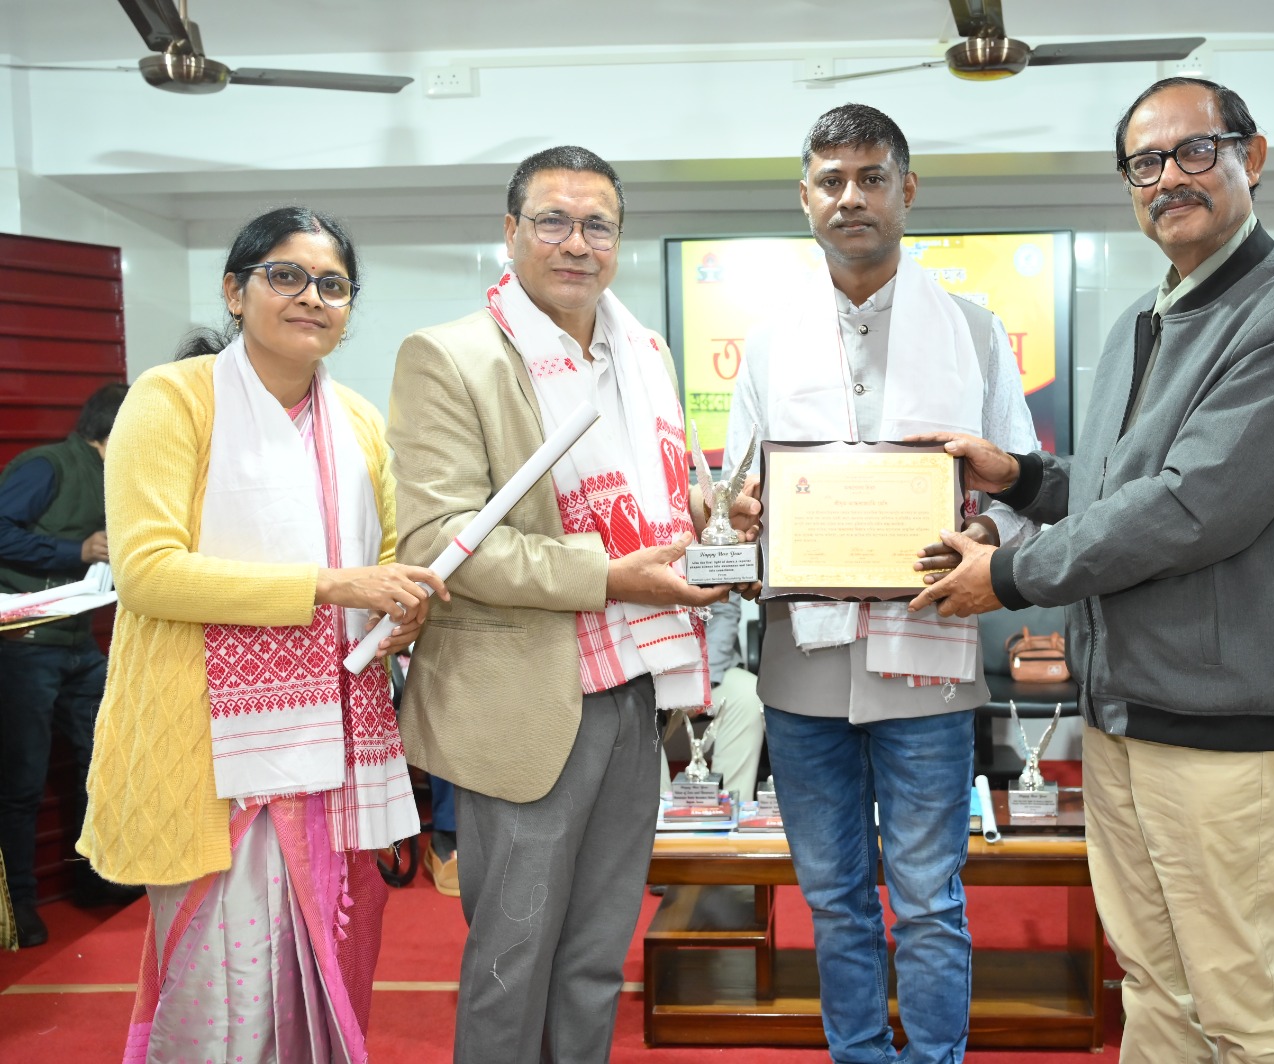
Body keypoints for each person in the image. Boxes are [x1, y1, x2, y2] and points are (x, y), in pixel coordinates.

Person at [908, 77, 1274, 1064]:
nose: (1168, 178)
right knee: (1154, 985)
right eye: (1145, 163)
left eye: (1194, 151)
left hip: (1228, 721)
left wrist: (1011, 575)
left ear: (1251, 156)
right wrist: (1022, 476)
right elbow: (1118, 486)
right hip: (1125, 706)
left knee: (1244, 1007)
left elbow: (1192, 505)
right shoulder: (1139, 321)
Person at [388, 145, 750, 1063]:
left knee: (594, 960)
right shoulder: (451, 356)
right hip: (525, 698)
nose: (576, 243)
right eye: (553, 220)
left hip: (636, 684)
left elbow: (656, 494)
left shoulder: (644, 351)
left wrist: (712, 515)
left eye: (598, 225)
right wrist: (613, 575)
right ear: (511, 232)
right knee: (512, 962)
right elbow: (439, 542)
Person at [77, 206, 445, 1063]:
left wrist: (402, 607)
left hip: (338, 758)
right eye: (285, 275)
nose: (311, 297)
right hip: (215, 761)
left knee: (333, 981)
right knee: (225, 1000)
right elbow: (148, 572)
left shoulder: (358, 421)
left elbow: (386, 560)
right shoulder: (172, 400)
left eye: (333, 285)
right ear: (234, 292)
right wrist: (329, 586)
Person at [723, 103, 1037, 1064]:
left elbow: (1022, 486)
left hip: (928, 661)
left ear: (908, 190)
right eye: (831, 181)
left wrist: (984, 532)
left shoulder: (974, 332)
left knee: (931, 900)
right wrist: (743, 514)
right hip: (803, 668)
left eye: (871, 178)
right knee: (834, 899)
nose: (850, 197)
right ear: (805, 197)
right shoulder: (769, 342)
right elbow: (737, 493)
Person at [0, 381, 132, 948]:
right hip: (27, 643)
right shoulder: (46, 465)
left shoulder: (114, 475)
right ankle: (19, 905)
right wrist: (73, 551)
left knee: (100, 764)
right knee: (22, 781)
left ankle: (95, 879)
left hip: (79, 642)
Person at [659, 598, 765, 804]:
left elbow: (723, 611)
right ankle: (657, 816)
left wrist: (702, 683)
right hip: (645, 680)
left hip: (704, 667)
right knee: (632, 709)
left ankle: (729, 808)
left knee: (747, 694)